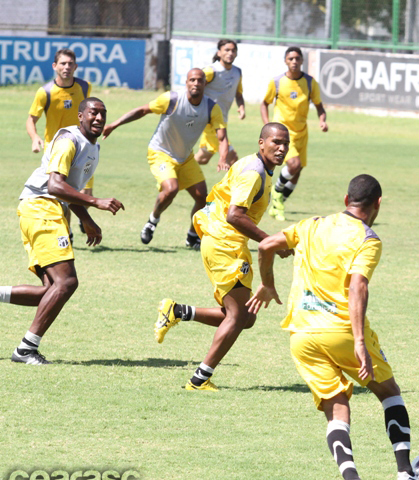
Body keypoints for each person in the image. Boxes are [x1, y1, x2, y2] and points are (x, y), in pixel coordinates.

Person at [247, 175, 419, 480]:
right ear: (378, 204)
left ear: (346, 198)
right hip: (342, 331)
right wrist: (359, 342)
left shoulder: (313, 225)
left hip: (301, 334)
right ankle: (405, 472)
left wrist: (268, 284)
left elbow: (265, 245)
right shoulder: (368, 239)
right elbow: (357, 286)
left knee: (337, 407)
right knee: (388, 391)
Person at [153, 123, 289, 390]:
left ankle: (177, 311)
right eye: (276, 142)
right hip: (224, 243)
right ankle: (199, 380)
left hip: (220, 239)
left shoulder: (256, 165)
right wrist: (271, 241)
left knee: (245, 317)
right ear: (262, 143)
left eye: (285, 143)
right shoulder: (254, 172)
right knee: (238, 318)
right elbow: (234, 215)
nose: (282, 148)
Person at [2, 98, 124, 364]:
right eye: (94, 113)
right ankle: (25, 350)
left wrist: (86, 218)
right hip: (42, 208)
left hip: (47, 210)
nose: (99, 118)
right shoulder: (69, 140)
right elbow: (55, 186)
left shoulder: (93, 146)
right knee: (67, 283)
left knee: (49, 292)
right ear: (81, 116)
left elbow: (69, 191)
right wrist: (96, 202)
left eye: (103, 114)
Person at [103, 68, 229, 249]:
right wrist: (114, 124)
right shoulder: (172, 99)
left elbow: (222, 136)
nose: (195, 83)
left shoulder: (211, 108)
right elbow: (142, 110)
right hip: (160, 152)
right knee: (171, 189)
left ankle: (192, 236)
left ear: (204, 84)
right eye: (192, 80)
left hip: (185, 157)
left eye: (199, 80)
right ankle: (152, 221)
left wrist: (223, 157)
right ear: (186, 83)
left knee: (203, 198)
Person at [26, 48, 95, 234]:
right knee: (64, 194)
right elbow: (31, 120)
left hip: (82, 148)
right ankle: (68, 231)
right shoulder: (45, 92)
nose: (67, 67)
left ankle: (81, 219)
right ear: (55, 66)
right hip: (56, 150)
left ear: (76, 66)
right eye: (63, 63)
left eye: (70, 64)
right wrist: (35, 138)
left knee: (86, 194)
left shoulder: (84, 86)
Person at [260, 46, 328, 222]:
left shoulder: (310, 83)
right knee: (293, 164)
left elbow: (319, 105)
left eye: (297, 59)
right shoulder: (277, 82)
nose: (294, 62)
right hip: (283, 132)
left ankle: (278, 202)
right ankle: (276, 193)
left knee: (297, 172)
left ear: (302, 61)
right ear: (285, 61)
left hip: (301, 133)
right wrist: (267, 124)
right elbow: (264, 103)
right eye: (291, 59)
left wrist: (322, 120)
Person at [195, 39, 245, 169]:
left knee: (203, 158)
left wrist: (241, 106)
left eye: (233, 50)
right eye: (227, 50)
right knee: (232, 158)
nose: (230, 53)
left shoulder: (237, 72)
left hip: (222, 120)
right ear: (219, 53)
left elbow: (238, 94)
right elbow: (193, 87)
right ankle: (231, 189)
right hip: (210, 121)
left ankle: (181, 168)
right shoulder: (211, 71)